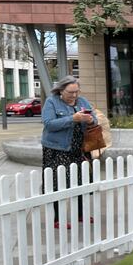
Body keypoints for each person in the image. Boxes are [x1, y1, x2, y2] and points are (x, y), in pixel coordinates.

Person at [41, 76, 97, 228]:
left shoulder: (83, 101)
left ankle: (81, 214)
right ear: (61, 90)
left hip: (80, 149)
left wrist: (91, 120)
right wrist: (73, 118)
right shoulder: (52, 101)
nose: (74, 95)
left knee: (82, 181)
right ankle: (57, 219)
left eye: (76, 92)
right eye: (70, 92)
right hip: (58, 149)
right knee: (58, 183)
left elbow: (95, 119)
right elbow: (48, 124)